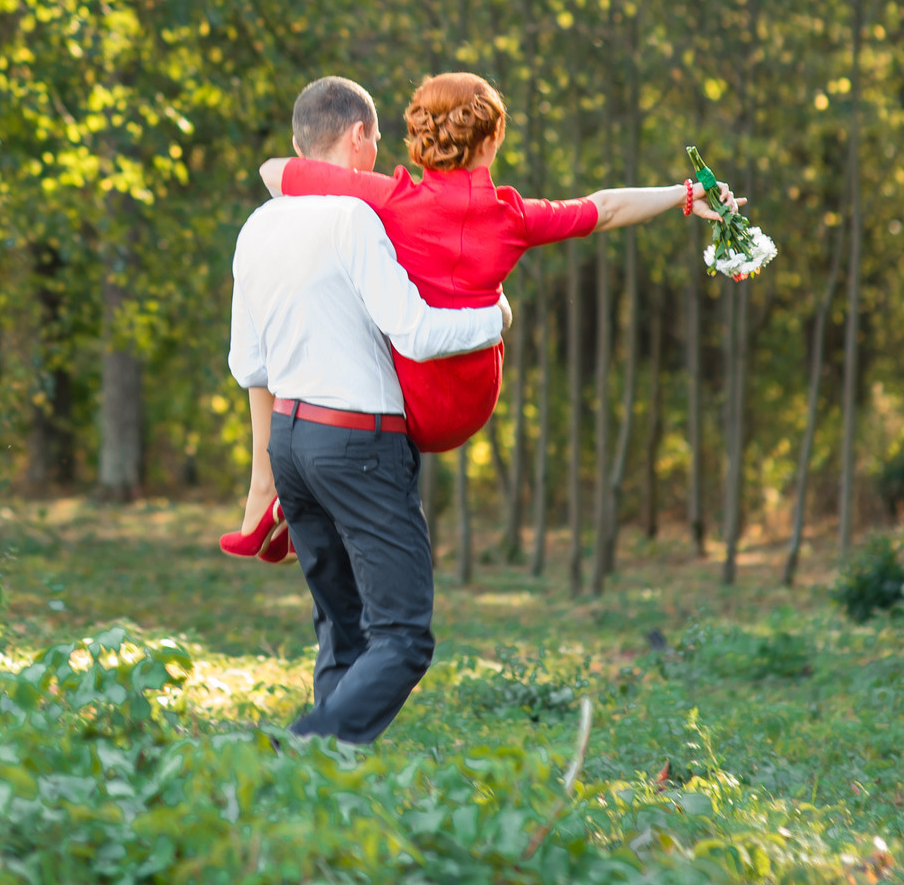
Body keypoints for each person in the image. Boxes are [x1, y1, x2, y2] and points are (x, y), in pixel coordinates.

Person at [222, 71, 740, 563]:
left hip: (408, 400)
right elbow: (601, 208)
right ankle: (285, 498)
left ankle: (275, 490)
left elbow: (273, 172)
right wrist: (684, 195)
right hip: (467, 402)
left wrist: (345, 177)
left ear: (422, 139)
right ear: (491, 143)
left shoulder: (389, 197)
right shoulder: (511, 216)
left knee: (335, 308)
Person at [226, 76, 511, 743]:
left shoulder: (258, 224)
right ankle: (301, 747)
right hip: (359, 441)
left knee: (341, 623)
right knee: (404, 634)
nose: (382, 156)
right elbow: (414, 330)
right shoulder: (357, 218)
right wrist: (492, 318)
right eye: (379, 141)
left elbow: (250, 362)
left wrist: (262, 476)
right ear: (358, 135)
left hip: (292, 445)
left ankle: (327, 786)